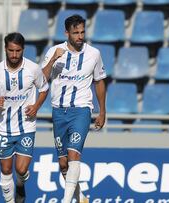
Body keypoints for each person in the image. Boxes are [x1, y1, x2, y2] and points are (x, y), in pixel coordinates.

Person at [41, 14, 106, 203]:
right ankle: (81, 198)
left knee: (74, 155)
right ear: (66, 33)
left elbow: (99, 82)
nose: (80, 36)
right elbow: (41, 80)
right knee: (63, 164)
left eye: (82, 32)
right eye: (75, 32)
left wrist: (102, 111)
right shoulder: (55, 51)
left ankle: (66, 201)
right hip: (59, 111)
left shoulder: (93, 54)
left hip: (81, 109)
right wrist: (53, 60)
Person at [0, 32, 49, 203]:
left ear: (23, 49)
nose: (14, 55)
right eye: (11, 51)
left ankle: (20, 184)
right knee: (6, 171)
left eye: (18, 51)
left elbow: (44, 88)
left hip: (26, 126)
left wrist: (36, 107)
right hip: (4, 128)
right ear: (5, 49)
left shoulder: (33, 69)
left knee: (21, 169)